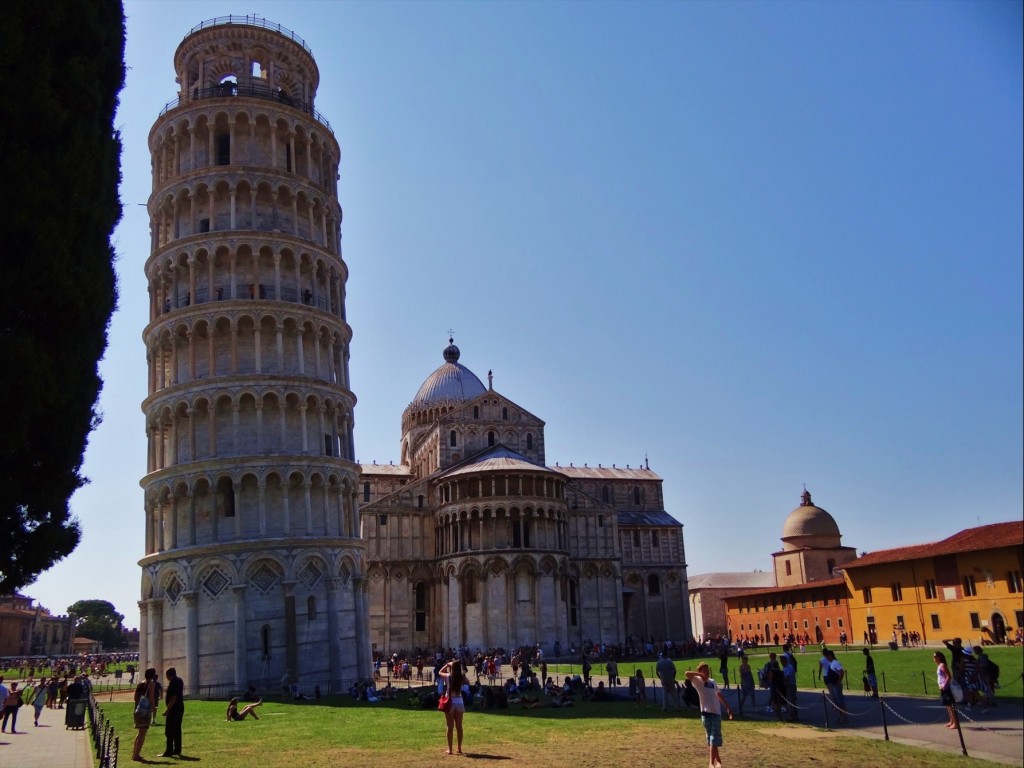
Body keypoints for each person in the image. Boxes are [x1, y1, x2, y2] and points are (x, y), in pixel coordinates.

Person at [685, 663, 733, 768]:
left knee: (714, 738)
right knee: (711, 739)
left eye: (708, 670)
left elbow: (718, 694)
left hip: (716, 712)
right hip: (706, 713)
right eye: (705, 671)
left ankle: (712, 762)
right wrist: (700, 675)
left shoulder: (712, 682)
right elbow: (687, 674)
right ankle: (717, 760)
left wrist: (728, 707)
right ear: (700, 671)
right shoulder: (698, 681)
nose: (707, 672)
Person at [438, 660, 465, 755]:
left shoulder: (449, 676)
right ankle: (459, 748)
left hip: (450, 701)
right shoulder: (461, 677)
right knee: (459, 726)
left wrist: (446, 665)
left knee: (450, 727)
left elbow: (440, 672)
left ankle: (450, 749)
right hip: (459, 701)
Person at [132, 668, 158, 762]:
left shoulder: (140, 683)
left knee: (139, 733)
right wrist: (154, 707)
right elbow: (151, 698)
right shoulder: (151, 684)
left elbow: (135, 698)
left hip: (137, 710)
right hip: (145, 712)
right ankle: (136, 755)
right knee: (143, 734)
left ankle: (134, 754)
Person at [161, 667, 185, 757]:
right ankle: (177, 749)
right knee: (177, 729)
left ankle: (169, 750)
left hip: (174, 709)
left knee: (169, 730)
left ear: (168, 675)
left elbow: (173, 697)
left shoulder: (173, 683)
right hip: (180, 707)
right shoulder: (180, 680)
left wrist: (168, 709)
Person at [934, 651, 957, 728]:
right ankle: (951, 721)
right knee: (947, 706)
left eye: (935, 657)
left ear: (939, 657)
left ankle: (955, 723)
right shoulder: (939, 665)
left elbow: (949, 676)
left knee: (950, 706)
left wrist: (944, 685)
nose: (934, 659)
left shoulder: (942, 665)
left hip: (946, 688)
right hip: (943, 688)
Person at [824, 650, 847, 724]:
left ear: (830, 656)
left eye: (827, 656)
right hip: (833, 684)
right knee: (836, 701)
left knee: (840, 701)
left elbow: (841, 671)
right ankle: (840, 716)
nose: (826, 657)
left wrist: (838, 681)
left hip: (836, 685)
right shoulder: (831, 663)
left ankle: (843, 717)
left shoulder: (835, 663)